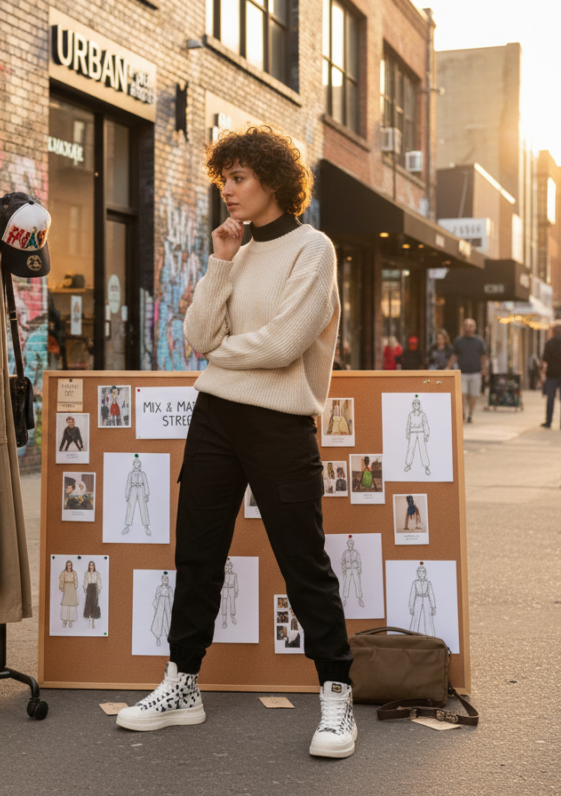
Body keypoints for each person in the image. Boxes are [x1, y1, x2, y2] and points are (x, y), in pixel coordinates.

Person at [115, 126, 356, 759]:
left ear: (273, 181)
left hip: (279, 424)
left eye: (239, 177)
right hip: (216, 416)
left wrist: (218, 355)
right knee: (196, 553)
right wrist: (220, 263)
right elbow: (196, 334)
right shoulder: (234, 251)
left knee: (302, 559)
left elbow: (284, 344)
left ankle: (335, 692)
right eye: (224, 177)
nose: (228, 190)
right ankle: (181, 685)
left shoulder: (314, 250)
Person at [447, 319, 488, 423]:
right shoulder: (459, 341)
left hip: (475, 372)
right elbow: (454, 355)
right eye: (466, 326)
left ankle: (470, 413)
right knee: (462, 394)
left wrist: (484, 369)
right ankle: (462, 413)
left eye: (471, 326)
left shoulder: (479, 341)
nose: (468, 328)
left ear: (475, 328)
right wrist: (448, 367)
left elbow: (483, 356)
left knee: (473, 395)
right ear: (463, 327)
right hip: (462, 372)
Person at [539, 321, 561, 429]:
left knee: (550, 399)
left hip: (551, 375)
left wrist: (542, 375)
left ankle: (548, 421)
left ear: (553, 331)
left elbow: (544, 362)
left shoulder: (549, 344)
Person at [341, 538, 363, 608]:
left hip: (355, 569)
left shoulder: (356, 552)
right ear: (347, 544)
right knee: (346, 584)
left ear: (353, 544)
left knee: (357, 583)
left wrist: (359, 568)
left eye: (351, 543)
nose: (350, 545)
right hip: (348, 569)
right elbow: (343, 562)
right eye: (349, 543)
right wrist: (343, 570)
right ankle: (344, 599)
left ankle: (360, 599)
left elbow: (359, 561)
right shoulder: (345, 553)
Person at [58, 560, 79, 628]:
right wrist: (62, 587)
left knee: (72, 605)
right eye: (68, 565)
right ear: (66, 565)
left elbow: (76, 581)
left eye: (70, 565)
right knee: (65, 605)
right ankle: (65, 621)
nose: (69, 566)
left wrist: (74, 587)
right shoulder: (63, 573)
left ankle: (70, 621)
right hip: (66, 588)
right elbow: (61, 580)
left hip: (72, 589)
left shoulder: (74, 573)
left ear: (71, 565)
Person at [83, 560, 102, 629]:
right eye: (90, 565)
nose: (91, 566)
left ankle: (93, 622)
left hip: (95, 588)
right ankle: (89, 621)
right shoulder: (86, 573)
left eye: (92, 565)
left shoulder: (97, 573)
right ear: (88, 566)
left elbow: (99, 582)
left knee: (94, 604)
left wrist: (98, 590)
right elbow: (85, 582)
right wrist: (85, 589)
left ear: (94, 566)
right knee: (88, 604)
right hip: (89, 588)